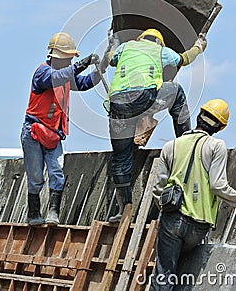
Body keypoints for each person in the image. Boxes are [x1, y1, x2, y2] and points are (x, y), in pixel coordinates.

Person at [150, 98, 236, 290]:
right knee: (185, 275)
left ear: (199, 116)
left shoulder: (170, 146)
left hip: (172, 219)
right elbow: (218, 185)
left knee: (164, 275)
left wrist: (165, 210)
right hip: (199, 226)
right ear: (221, 127)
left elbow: (158, 188)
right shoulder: (216, 146)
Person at [105, 28, 207, 222]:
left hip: (118, 105)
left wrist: (112, 41)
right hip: (143, 98)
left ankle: (123, 210)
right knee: (176, 91)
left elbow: (111, 58)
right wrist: (199, 46)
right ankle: (187, 140)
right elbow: (184, 59)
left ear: (140, 39)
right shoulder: (160, 50)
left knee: (121, 157)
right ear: (159, 42)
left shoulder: (126, 48)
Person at [21, 32, 104, 226]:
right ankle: (34, 214)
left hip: (54, 134)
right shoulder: (43, 73)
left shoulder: (65, 75)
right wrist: (82, 64)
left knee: (56, 171)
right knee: (35, 175)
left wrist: (101, 68)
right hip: (34, 131)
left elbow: (83, 83)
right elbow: (56, 78)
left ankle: (53, 213)